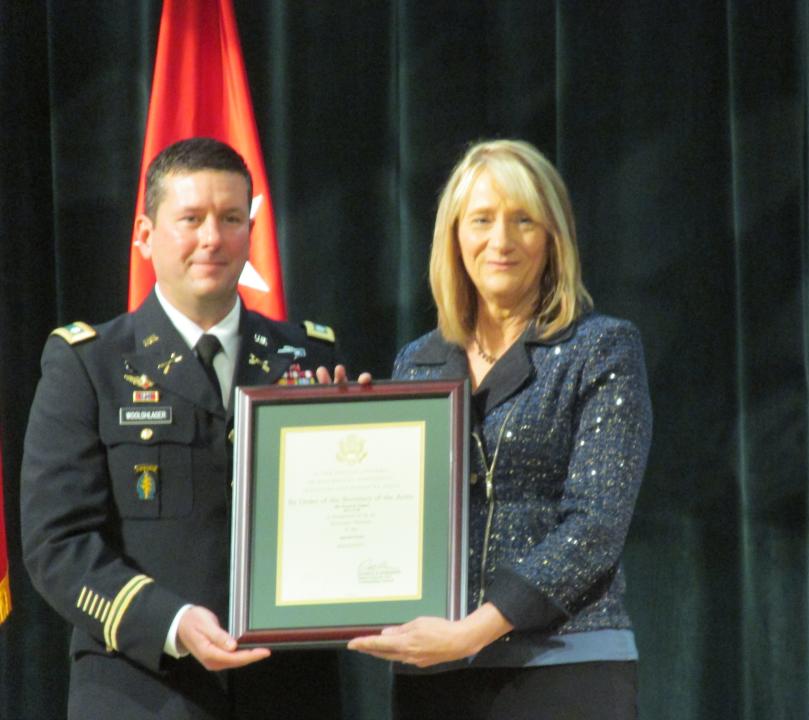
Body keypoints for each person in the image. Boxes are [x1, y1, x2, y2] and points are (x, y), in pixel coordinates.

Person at [21, 137, 354, 718]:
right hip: (142, 689)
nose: (212, 238)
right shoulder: (87, 364)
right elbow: (58, 544)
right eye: (191, 218)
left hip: (290, 691)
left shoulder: (308, 358)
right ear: (146, 235)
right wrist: (170, 622)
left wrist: (357, 441)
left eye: (230, 219)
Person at [347, 139, 653, 719]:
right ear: (454, 236)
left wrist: (475, 630)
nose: (501, 241)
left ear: (554, 239)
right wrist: (340, 429)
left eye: (523, 221)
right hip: (436, 670)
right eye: (482, 220)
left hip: (566, 663)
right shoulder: (418, 361)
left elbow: (594, 527)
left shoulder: (602, 348)